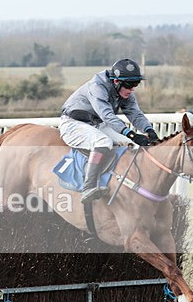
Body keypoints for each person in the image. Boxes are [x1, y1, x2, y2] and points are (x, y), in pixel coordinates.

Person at [59, 58, 158, 204]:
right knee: (103, 142)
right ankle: (89, 186)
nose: (132, 90)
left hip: (96, 124)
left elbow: (135, 113)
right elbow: (107, 116)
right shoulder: (97, 87)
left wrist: (149, 130)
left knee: (130, 144)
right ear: (116, 82)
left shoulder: (124, 90)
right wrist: (132, 134)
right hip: (72, 124)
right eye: (130, 86)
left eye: (135, 85)